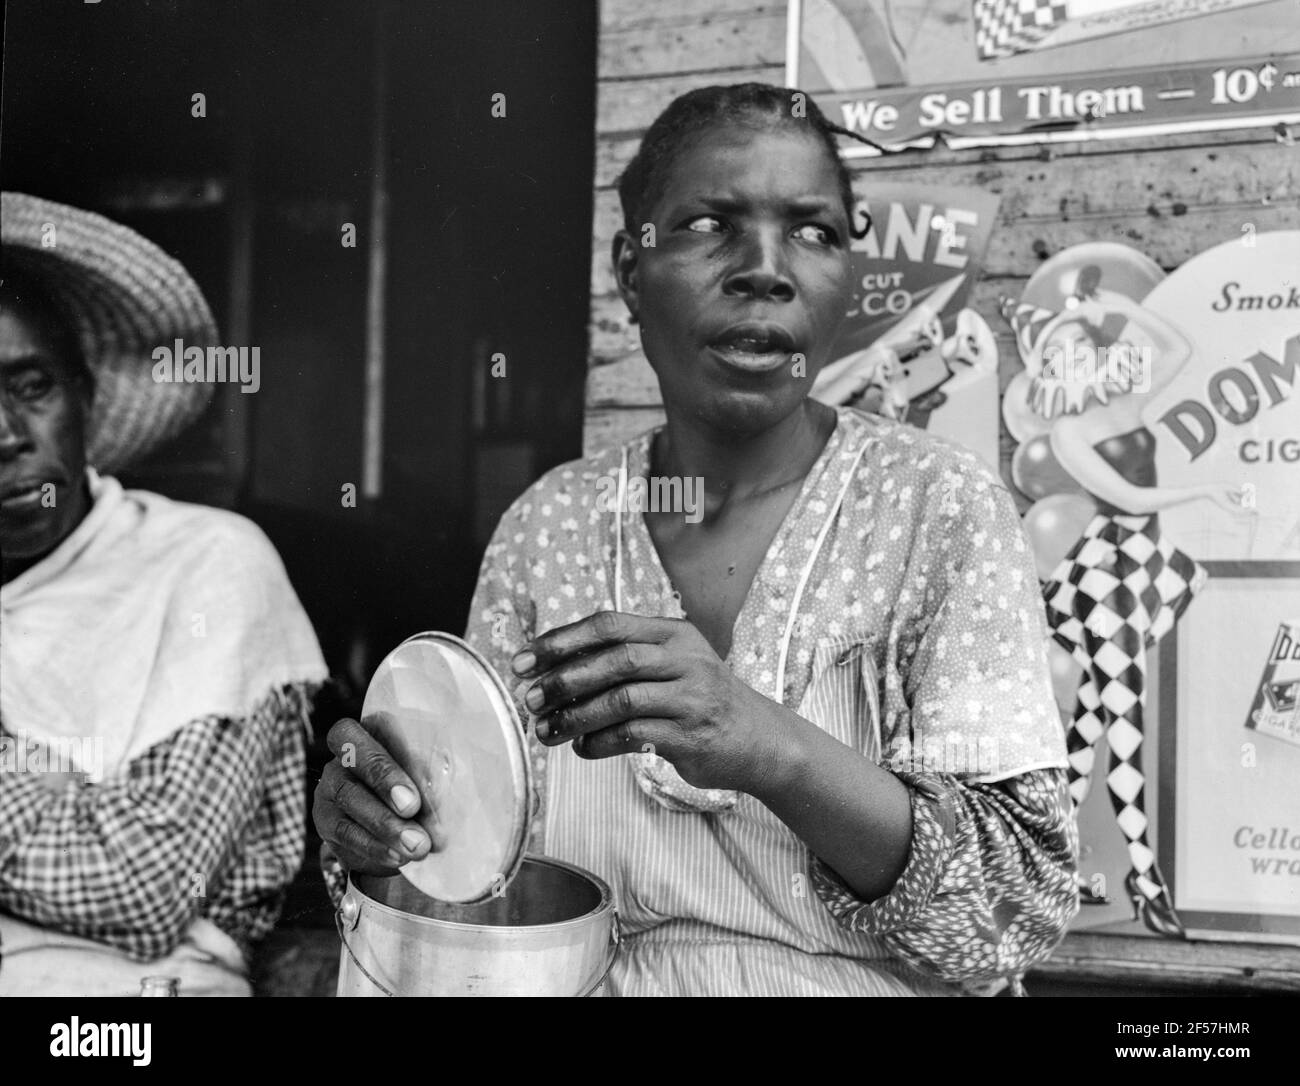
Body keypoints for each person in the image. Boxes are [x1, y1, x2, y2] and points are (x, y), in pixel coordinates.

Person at [315, 84, 1079, 996]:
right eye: (711, 223)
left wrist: (767, 745)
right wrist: (384, 839)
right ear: (630, 272)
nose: (766, 267)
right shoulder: (552, 523)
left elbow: (1007, 919)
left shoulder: (939, 509)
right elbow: (479, 868)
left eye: (815, 231)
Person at [0, 192, 327, 996]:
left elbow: (144, 883)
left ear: (84, 396)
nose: (4, 434)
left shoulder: (204, 565)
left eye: (31, 385)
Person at [1001, 266, 1252, 935]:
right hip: (1111, 573)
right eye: (1066, 349)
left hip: (1141, 563)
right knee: (1127, 727)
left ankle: (1035, 861)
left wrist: (1113, 305)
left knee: (1089, 727)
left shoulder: (1129, 404)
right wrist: (1202, 494)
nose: (1082, 355)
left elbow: (1177, 350)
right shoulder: (1069, 435)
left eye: (1088, 344)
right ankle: (1146, 877)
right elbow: (1134, 500)